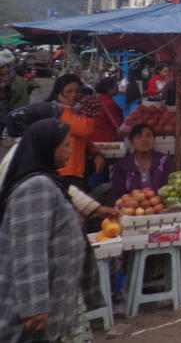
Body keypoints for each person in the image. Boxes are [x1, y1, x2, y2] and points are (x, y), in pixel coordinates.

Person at [0, 119, 104, 341]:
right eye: (66, 145)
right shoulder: (36, 188)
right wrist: (35, 305)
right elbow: (30, 250)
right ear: (47, 147)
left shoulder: (50, 183)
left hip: (47, 305)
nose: (71, 149)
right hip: (29, 315)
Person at [46, 73, 99, 191]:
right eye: (69, 91)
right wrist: (90, 114)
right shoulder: (60, 112)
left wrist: (95, 152)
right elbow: (85, 130)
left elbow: (80, 137)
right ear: (58, 91)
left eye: (77, 91)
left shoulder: (71, 111)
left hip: (72, 170)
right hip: (65, 171)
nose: (73, 95)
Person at [109, 123, 174, 201]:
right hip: (132, 208)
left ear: (154, 139)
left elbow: (171, 188)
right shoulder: (122, 165)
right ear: (132, 142)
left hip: (161, 207)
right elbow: (117, 194)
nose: (144, 139)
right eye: (139, 137)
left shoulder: (164, 161)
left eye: (148, 136)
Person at [92, 76, 124, 142]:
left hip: (97, 137)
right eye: (116, 86)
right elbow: (117, 123)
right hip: (106, 139)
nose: (118, 88)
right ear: (109, 89)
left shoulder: (97, 99)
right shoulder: (108, 103)